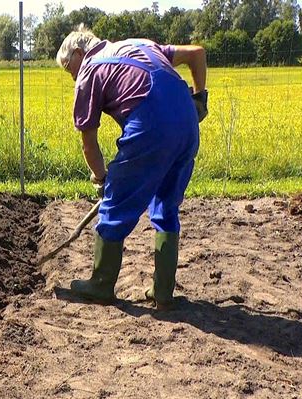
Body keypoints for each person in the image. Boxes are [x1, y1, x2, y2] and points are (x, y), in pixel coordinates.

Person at [56, 26, 208, 310]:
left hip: (150, 125)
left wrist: (102, 180)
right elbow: (196, 53)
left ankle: (100, 285)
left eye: (69, 69)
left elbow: (88, 144)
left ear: (79, 53)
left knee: (115, 204)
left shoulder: (89, 70)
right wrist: (199, 98)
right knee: (166, 206)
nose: (73, 76)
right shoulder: (140, 44)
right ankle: (163, 293)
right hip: (187, 125)